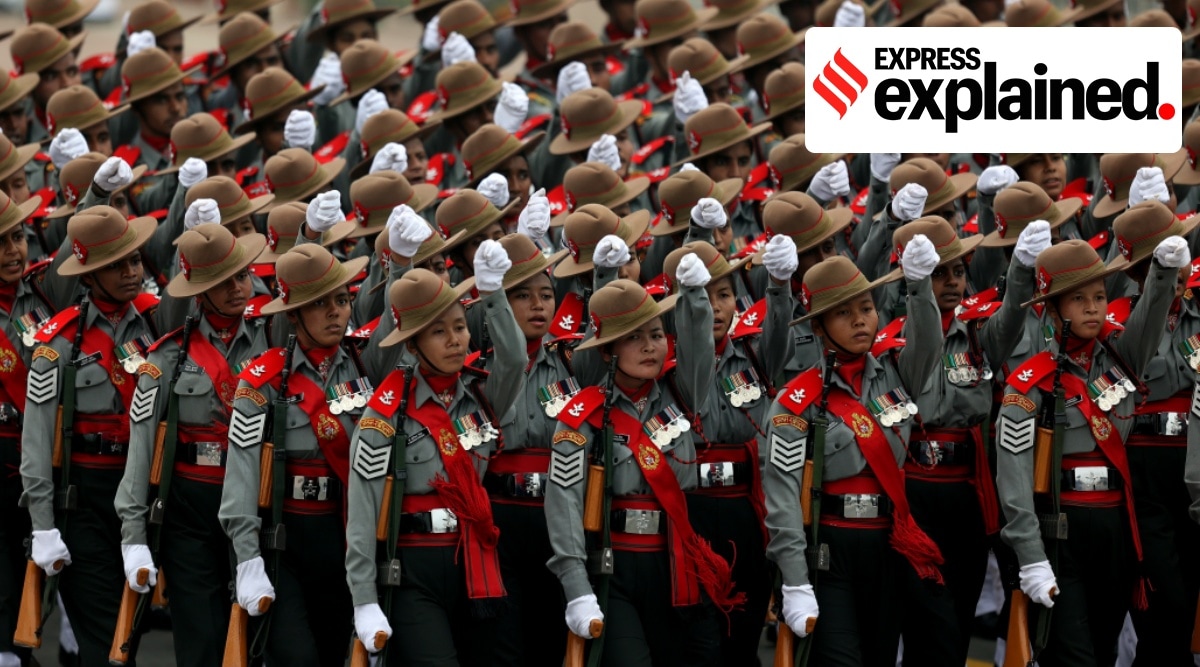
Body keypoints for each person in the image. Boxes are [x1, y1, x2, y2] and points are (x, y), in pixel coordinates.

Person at [996, 232, 1185, 666]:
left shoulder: (1121, 358)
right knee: (1073, 656)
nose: (1093, 307)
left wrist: (1162, 271)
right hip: (1062, 532)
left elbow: (1153, 312)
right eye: (1078, 299)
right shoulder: (1028, 385)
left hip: (1116, 526)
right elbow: (1014, 480)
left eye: (1100, 296)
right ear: (1052, 308)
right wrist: (1030, 557)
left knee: (1102, 649)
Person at [343, 232, 529, 664]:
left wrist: (494, 293)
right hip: (413, 569)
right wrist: (364, 599)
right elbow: (363, 511)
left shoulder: (480, 395)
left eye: (460, 327)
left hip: (476, 559)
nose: (455, 341)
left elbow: (515, 360)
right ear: (411, 345)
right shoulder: (384, 415)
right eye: (438, 332)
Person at [546, 262, 743, 665]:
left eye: (656, 335)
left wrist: (693, 296)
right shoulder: (581, 416)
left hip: (679, 560)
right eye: (633, 338)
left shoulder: (681, 389)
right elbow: (563, 502)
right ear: (606, 351)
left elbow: (700, 345)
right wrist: (577, 587)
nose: (650, 346)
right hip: (614, 564)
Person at [762, 235, 946, 667]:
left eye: (866, 308)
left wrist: (919, 287)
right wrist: (794, 580)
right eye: (843, 313)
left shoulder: (897, 373)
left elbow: (930, 343)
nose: (861, 320)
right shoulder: (795, 403)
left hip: (888, 543)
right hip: (830, 550)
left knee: (881, 656)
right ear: (817, 326)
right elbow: (783, 496)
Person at [20, 205, 176, 666]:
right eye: (116, 265)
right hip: (86, 496)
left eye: (134, 261)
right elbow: (36, 439)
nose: (131, 273)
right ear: (87, 275)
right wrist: (43, 524)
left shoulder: (157, 324)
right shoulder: (59, 343)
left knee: (135, 626)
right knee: (105, 633)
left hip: (146, 493)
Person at [890, 216, 1044, 666]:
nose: (954, 282)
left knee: (958, 617)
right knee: (930, 628)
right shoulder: (894, 336)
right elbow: (919, 350)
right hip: (916, 493)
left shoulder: (976, 334)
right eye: (939, 273)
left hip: (968, 493)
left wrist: (1021, 268)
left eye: (958, 271)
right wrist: (918, 291)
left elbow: (1013, 318)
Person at [114, 224, 270, 667]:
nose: (238, 288)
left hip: (257, 503)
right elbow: (142, 448)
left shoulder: (272, 341)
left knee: (258, 636)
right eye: (223, 282)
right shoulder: (168, 356)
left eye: (241, 276)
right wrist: (134, 536)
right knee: (201, 634)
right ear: (199, 292)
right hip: (190, 508)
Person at [218, 244, 370, 666]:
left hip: (343, 536)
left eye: (342, 300)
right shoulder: (261, 381)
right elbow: (244, 473)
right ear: (293, 314)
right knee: (295, 656)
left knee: (333, 651)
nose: (336, 312)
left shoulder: (365, 364)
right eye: (320, 304)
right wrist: (247, 557)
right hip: (283, 540)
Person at [661, 233, 793, 667]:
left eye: (724, 294)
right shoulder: (659, 367)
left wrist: (778, 283)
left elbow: (780, 329)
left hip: (742, 512)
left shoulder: (754, 356)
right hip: (687, 512)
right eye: (702, 295)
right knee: (699, 644)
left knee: (743, 634)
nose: (715, 307)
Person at [1104, 202, 1200, 666]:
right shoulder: (1118, 320)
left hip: (1195, 467)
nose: (1179, 271)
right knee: (1166, 604)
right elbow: (1140, 367)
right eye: (1161, 264)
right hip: (1145, 473)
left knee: (1189, 607)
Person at [0, 189, 61, 667]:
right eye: (0, 242)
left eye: (17, 237)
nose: (13, 251)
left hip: (40, 454)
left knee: (37, 563)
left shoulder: (39, 291)